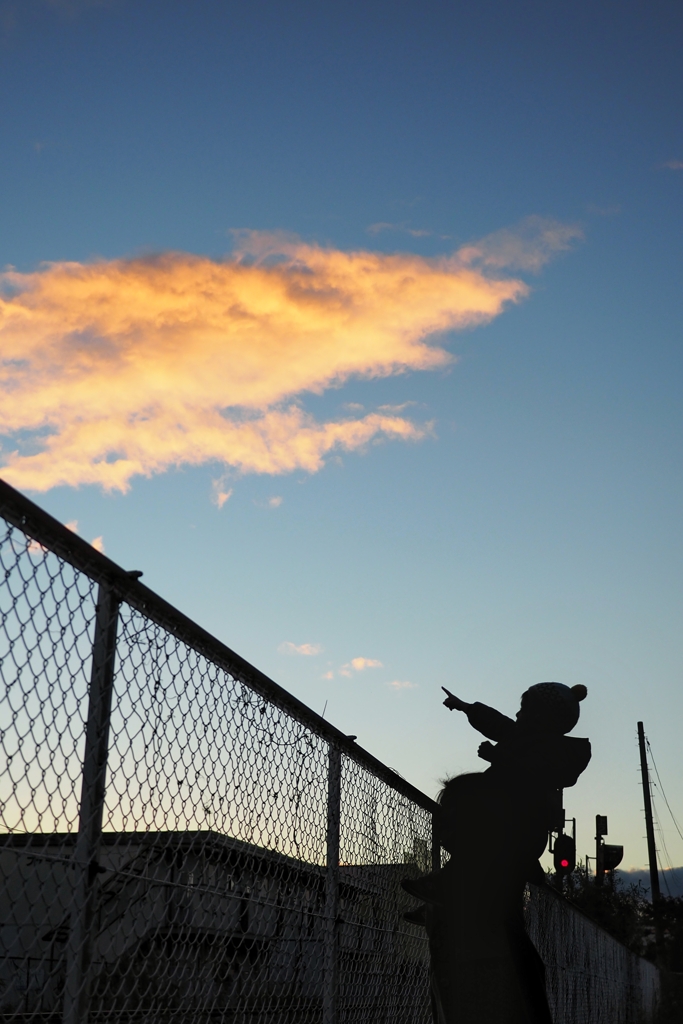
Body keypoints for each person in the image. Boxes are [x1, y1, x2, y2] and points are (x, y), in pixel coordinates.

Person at [403, 682, 591, 906]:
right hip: (508, 828)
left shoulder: (556, 752)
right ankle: (444, 904)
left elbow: (535, 774)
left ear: (541, 717)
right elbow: (497, 723)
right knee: (466, 799)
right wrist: (465, 707)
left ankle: (447, 892)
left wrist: (499, 757)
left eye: (525, 709)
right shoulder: (523, 738)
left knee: (471, 815)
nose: (518, 713)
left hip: (514, 828)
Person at [415, 772, 553, 1024]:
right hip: (489, 971)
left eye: (451, 816)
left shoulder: (482, 866)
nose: (443, 827)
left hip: (481, 972)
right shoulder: (498, 862)